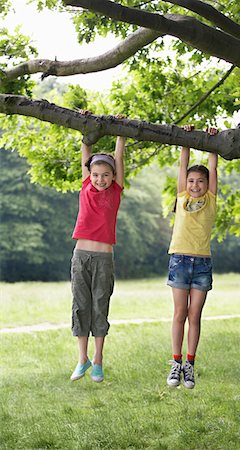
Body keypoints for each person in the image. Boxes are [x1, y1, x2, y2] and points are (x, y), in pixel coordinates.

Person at [70, 113, 126, 383]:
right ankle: (82, 359)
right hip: (80, 256)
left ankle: (99, 360)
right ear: (89, 174)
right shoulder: (85, 187)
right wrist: (86, 125)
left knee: (99, 306)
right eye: (95, 174)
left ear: (113, 176)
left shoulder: (115, 191)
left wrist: (120, 133)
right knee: (81, 306)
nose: (100, 179)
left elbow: (119, 157)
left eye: (106, 175)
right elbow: (86, 148)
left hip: (104, 259)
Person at [166, 124, 218, 389]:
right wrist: (186, 140)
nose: (195, 185)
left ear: (208, 184)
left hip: (202, 264)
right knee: (180, 313)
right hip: (179, 260)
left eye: (200, 181)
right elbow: (182, 165)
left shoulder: (211, 199)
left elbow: (214, 165)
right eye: (191, 181)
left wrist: (212, 144)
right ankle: (175, 363)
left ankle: (190, 364)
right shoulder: (182, 196)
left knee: (194, 316)